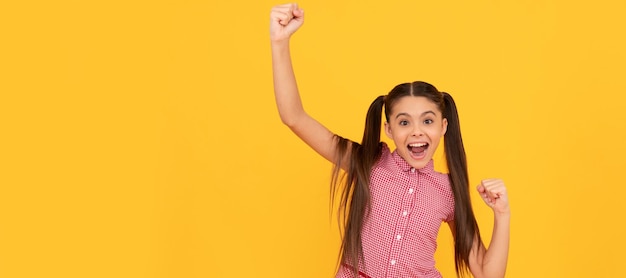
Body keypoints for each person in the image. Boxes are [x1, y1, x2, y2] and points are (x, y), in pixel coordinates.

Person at [270, 3, 510, 278]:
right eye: (404, 122)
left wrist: (502, 215)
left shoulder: (447, 191)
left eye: (428, 121)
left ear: (444, 127)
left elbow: (489, 274)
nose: (417, 131)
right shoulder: (367, 162)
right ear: (388, 129)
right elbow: (294, 117)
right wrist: (280, 42)